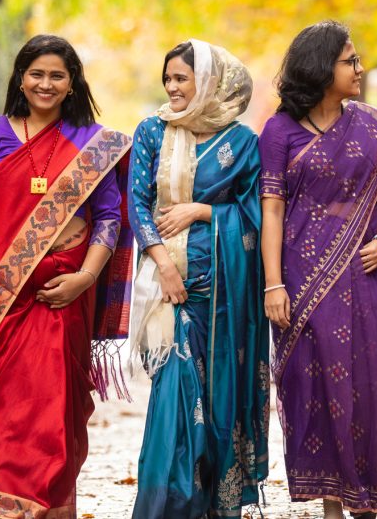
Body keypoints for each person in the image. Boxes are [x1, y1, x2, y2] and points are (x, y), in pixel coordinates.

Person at [0, 34, 133, 518]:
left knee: (56, 415)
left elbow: (110, 219)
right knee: (11, 419)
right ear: (20, 77)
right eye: (36, 73)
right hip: (3, 299)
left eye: (57, 75)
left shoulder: (94, 142)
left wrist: (86, 278)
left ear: (72, 83)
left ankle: (53, 511)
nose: (46, 84)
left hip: (63, 300)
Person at [258, 20, 377, 519]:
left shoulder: (376, 127)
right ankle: (331, 502)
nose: (360, 68)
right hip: (302, 278)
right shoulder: (279, 131)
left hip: (362, 273)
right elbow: (272, 209)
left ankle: (364, 498)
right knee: (315, 383)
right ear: (322, 68)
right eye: (350, 60)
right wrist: (274, 282)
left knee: (368, 381)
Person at [128, 39, 269, 518]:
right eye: (167, 78)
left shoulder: (243, 143)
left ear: (208, 82)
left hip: (226, 294)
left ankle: (213, 506)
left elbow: (256, 216)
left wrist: (203, 210)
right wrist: (164, 267)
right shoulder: (152, 131)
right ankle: (167, 507)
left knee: (219, 403)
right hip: (169, 293)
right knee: (175, 399)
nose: (172, 87)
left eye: (182, 78)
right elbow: (137, 204)